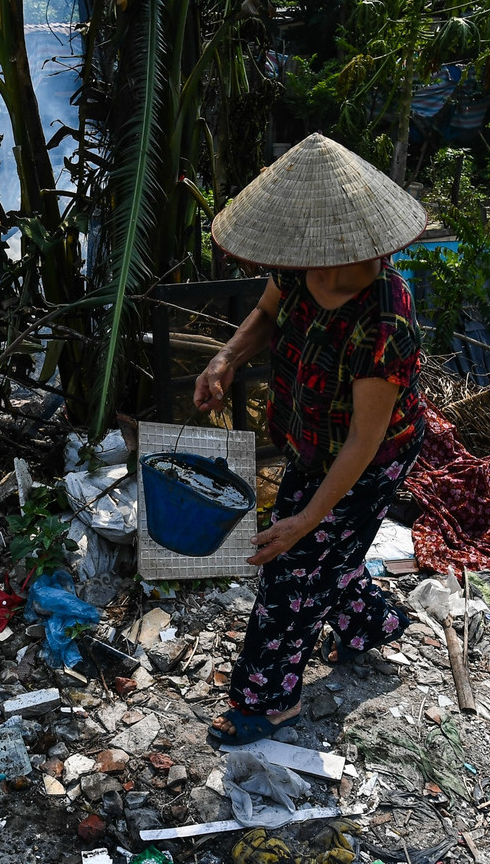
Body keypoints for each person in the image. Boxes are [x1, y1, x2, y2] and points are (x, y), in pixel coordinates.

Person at [193, 133, 427, 745]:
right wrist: (224, 359)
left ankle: (268, 702)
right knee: (327, 551)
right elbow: (267, 316)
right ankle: (370, 624)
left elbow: (362, 445)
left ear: (365, 248)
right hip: (306, 440)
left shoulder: (386, 323)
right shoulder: (298, 270)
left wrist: (303, 521)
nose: (313, 269)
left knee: (293, 567)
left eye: (329, 258)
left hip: (371, 460)